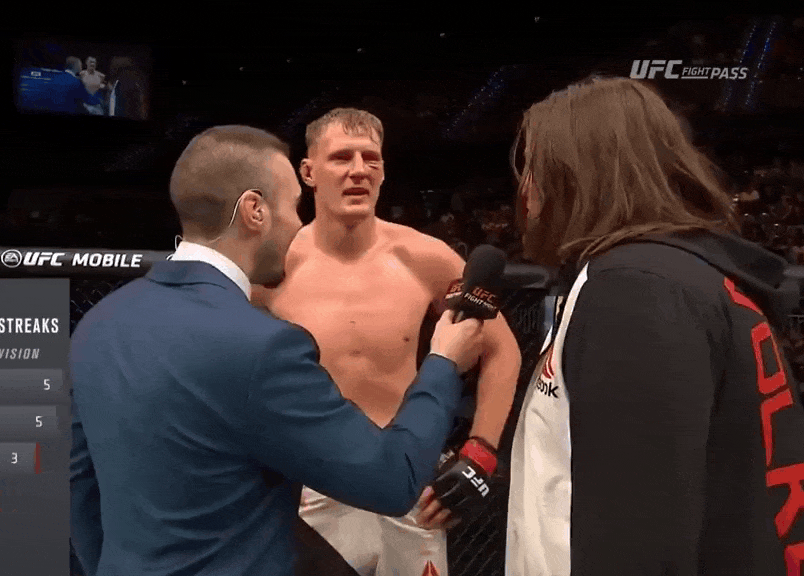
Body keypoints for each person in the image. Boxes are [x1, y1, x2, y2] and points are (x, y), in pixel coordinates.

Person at [69, 125, 488, 576]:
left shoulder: (99, 324)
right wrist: (443, 364)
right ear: (255, 211)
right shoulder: (263, 345)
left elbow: (78, 487)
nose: (295, 225)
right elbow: (391, 482)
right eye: (291, 206)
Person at [505, 76, 804, 575]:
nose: (525, 190)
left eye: (534, 166)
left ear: (573, 176)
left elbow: (639, 539)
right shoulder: (684, 274)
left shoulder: (634, 289)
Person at [254, 108, 521, 576]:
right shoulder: (273, 266)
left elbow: (502, 349)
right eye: (342, 157)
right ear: (308, 172)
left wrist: (478, 456)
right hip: (310, 482)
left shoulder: (425, 257)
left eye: (370, 158)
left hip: (409, 476)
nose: (359, 170)